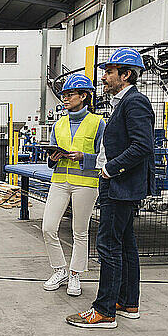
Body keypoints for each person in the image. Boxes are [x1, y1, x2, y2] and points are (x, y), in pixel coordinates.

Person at [66, 48, 155, 328]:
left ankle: (104, 310)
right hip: (120, 184)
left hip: (120, 184)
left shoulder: (135, 102)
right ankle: (128, 302)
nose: (103, 77)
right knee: (126, 245)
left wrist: (109, 169)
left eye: (109, 72)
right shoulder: (123, 102)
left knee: (108, 246)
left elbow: (142, 146)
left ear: (125, 74)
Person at [42, 74, 105, 296]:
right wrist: (53, 157)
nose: (65, 99)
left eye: (70, 95)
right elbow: (49, 158)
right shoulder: (58, 125)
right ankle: (60, 270)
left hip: (86, 183)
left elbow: (104, 157)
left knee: (80, 231)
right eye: (64, 95)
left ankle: (75, 274)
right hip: (59, 181)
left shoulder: (98, 123)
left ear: (84, 96)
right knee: (48, 227)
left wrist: (84, 157)